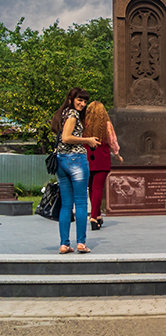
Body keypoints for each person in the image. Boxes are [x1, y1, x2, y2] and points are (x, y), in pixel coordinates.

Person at [50, 87, 100, 254]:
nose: (82, 103)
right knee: (80, 203)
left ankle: (64, 244)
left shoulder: (63, 113)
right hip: (76, 160)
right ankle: (80, 243)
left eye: (85, 101)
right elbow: (66, 137)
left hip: (62, 161)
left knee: (66, 205)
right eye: (80, 99)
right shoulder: (72, 115)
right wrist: (88, 140)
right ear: (71, 98)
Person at [83, 101, 121, 230]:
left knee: (91, 188)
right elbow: (112, 141)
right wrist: (117, 154)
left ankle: (97, 215)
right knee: (98, 188)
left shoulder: (84, 124)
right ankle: (94, 216)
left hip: (87, 157)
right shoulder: (106, 125)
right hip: (102, 158)